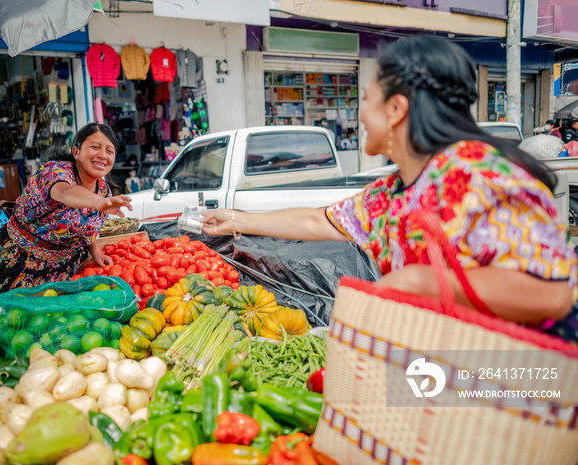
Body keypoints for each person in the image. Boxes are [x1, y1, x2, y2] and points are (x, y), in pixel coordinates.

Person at [201, 36, 578, 343]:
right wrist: (235, 219)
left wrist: (419, 281)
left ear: (396, 108)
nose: (361, 114)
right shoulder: (394, 192)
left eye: (366, 99)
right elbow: (318, 221)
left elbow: (552, 294)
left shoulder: (479, 174)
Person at [0, 123, 132, 293]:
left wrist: (96, 253)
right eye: (95, 147)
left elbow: (87, 227)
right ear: (76, 151)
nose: (102, 155)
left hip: (62, 273)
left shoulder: (102, 189)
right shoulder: (54, 172)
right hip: (17, 264)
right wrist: (98, 202)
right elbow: (65, 193)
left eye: (109, 151)